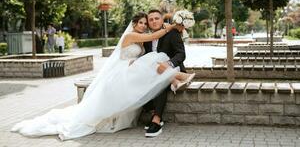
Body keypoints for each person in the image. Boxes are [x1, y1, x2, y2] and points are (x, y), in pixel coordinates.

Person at [11, 12, 195, 140]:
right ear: (134, 24)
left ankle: (171, 85)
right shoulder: (133, 36)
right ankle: (176, 78)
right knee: (156, 59)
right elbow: (155, 36)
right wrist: (173, 26)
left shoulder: (147, 35)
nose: (145, 25)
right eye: (143, 22)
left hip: (135, 68)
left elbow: (170, 53)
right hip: (123, 70)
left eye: (146, 23)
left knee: (156, 60)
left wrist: (175, 30)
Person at [143, 9, 187, 137]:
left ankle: (157, 120)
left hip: (173, 68)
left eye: (157, 18)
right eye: (151, 20)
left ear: (162, 20)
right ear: (148, 23)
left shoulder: (172, 33)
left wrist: (169, 63)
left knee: (160, 79)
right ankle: (152, 112)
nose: (154, 21)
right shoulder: (147, 38)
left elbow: (181, 54)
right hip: (154, 69)